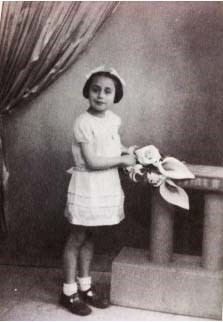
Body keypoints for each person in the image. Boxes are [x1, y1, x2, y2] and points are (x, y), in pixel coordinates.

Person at [60, 66, 137, 316]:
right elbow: (92, 161)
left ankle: (85, 286)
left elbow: (111, 145)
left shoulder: (113, 120)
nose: (101, 96)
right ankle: (68, 291)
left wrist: (127, 152)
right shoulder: (82, 122)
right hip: (88, 185)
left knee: (90, 236)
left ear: (116, 95)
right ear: (87, 92)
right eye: (95, 90)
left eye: (107, 91)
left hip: (104, 185)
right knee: (77, 238)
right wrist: (121, 161)